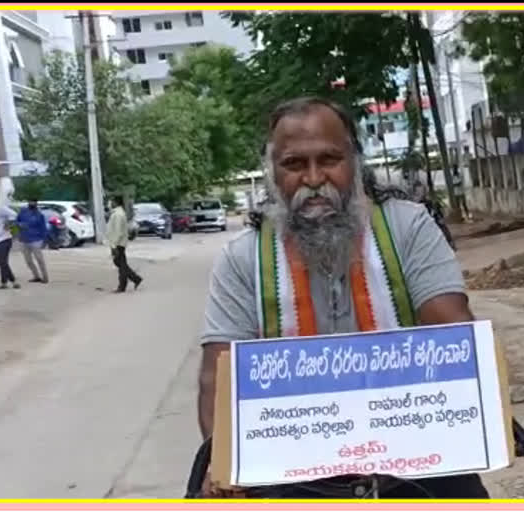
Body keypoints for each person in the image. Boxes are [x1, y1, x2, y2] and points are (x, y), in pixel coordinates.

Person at [198, 97, 488, 498]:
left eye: (329, 160)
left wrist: (480, 409)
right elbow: (218, 374)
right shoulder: (243, 257)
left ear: (354, 162)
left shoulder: (408, 227)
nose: (314, 179)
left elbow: (451, 331)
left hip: (414, 464)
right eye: (294, 165)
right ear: (273, 173)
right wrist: (222, 462)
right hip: (295, 475)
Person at [105, 195, 142, 293]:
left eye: (111, 201)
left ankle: (127, 283)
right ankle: (132, 280)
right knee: (121, 264)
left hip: (118, 243)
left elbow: (118, 232)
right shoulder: (118, 213)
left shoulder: (117, 214)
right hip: (120, 243)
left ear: (116, 202)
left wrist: (114, 246)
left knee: (121, 265)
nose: (109, 203)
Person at [16, 198, 49, 283]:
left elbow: (43, 228)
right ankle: (36, 276)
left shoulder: (39, 215)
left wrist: (44, 240)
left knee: (39, 259)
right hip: (24, 239)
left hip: (36, 240)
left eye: (34, 202)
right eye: (30, 202)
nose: (32, 203)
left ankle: (45, 277)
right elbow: (16, 221)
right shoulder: (23, 212)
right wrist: (19, 225)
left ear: (36, 204)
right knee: (28, 261)